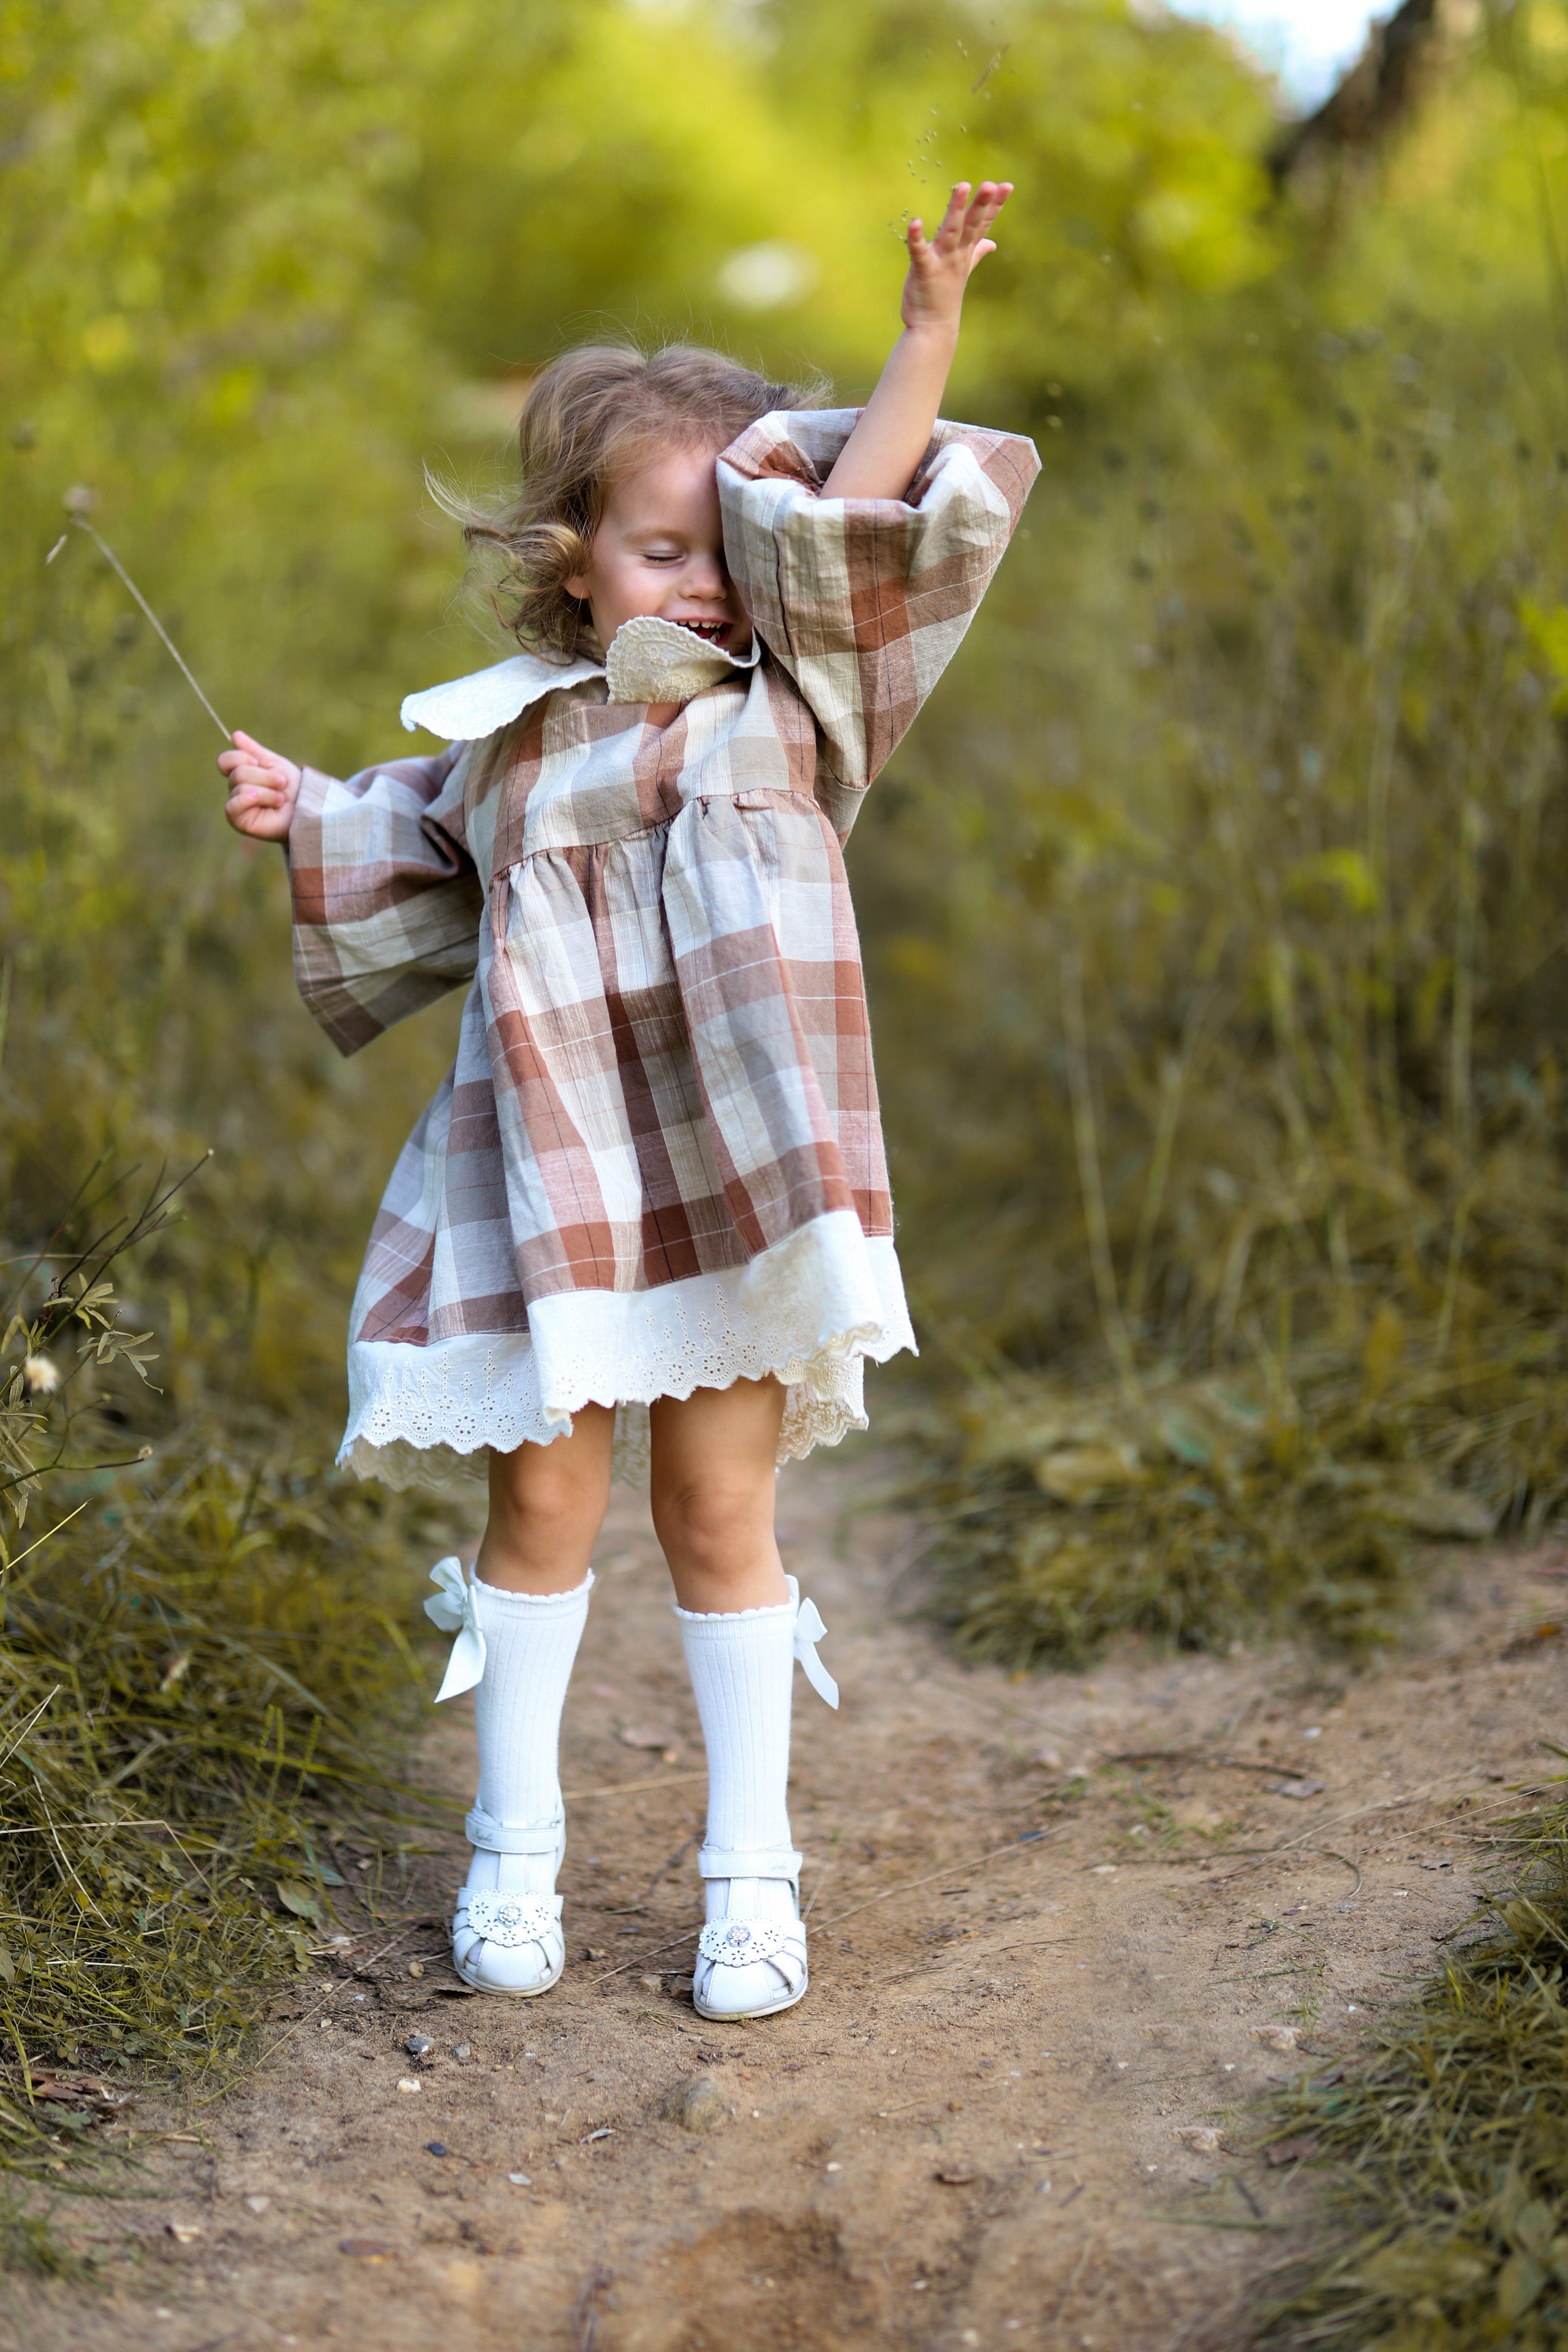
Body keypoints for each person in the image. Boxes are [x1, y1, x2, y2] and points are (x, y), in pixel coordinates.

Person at [219, 182, 1038, 2022]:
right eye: (661, 550)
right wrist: (302, 806)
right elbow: (398, 839)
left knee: (718, 1510)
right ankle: (518, 1852)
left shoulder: (796, 700)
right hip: (551, 1185)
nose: (701, 584)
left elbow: (850, 517)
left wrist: (924, 338)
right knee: (541, 1504)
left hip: (739, 1175)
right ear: (572, 554)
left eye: (726, 555)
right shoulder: (505, 742)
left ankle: (756, 1880)